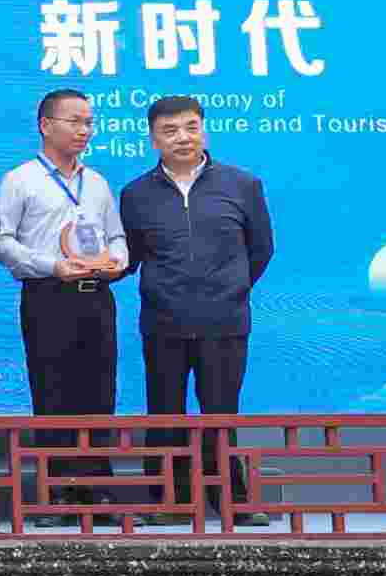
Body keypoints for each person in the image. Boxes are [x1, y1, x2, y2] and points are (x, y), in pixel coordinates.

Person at [118, 94, 276, 524]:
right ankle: (170, 502)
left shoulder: (242, 185)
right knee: (164, 414)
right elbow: (131, 256)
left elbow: (261, 249)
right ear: (153, 140)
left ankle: (231, 501)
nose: (182, 138)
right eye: (169, 131)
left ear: (204, 131)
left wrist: (231, 288)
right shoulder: (135, 194)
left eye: (191, 127)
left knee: (220, 414)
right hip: (163, 322)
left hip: (225, 322)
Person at [0, 89, 131, 523]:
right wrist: (52, 266)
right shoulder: (20, 180)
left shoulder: (98, 182)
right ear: (45, 125)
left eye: (89, 122)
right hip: (48, 295)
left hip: (97, 296)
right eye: (74, 121)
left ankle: (98, 489)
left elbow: (116, 236)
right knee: (52, 392)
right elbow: (2, 241)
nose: (84, 130)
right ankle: (56, 492)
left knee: (99, 393)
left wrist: (117, 261)